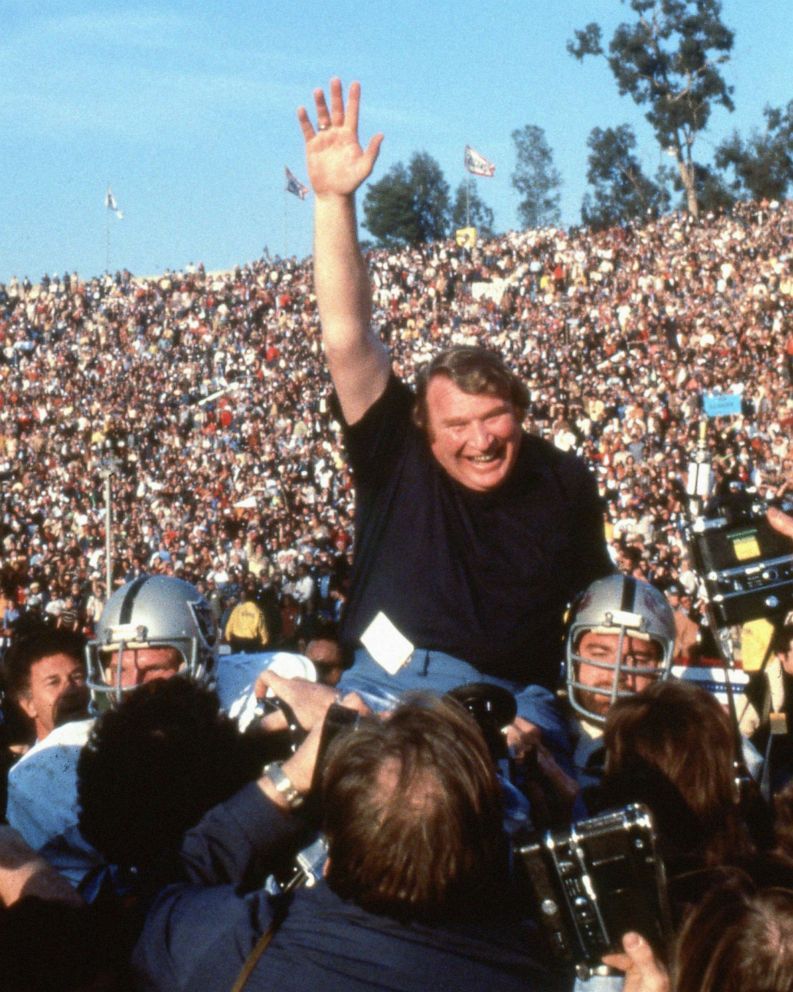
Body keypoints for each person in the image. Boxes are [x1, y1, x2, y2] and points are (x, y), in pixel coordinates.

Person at [299, 78, 611, 746]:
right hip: (386, 688)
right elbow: (346, 337)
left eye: (493, 417)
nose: (479, 440)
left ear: (520, 413)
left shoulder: (564, 483)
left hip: (515, 704)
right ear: (423, 427)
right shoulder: (393, 452)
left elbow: (597, 601)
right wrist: (332, 201)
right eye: (457, 425)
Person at [133, 692, 567, 992]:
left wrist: (290, 781)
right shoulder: (548, 973)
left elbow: (153, 899)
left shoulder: (231, 948)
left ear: (331, 850)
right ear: (491, 855)